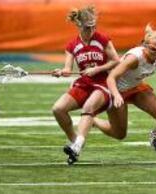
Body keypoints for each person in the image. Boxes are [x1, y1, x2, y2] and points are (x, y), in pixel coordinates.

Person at [90, 24, 156, 164]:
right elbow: (111, 78)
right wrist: (116, 95)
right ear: (145, 46)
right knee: (120, 134)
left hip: (136, 87)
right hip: (117, 90)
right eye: (153, 49)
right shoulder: (135, 58)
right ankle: (94, 121)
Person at [51, 5, 119, 164]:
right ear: (79, 25)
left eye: (94, 26)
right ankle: (75, 141)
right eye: (88, 27)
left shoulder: (102, 39)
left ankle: (77, 145)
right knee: (58, 109)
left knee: (88, 107)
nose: (92, 30)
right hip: (84, 84)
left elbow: (116, 61)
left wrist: (97, 69)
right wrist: (61, 72)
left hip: (102, 83)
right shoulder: (72, 45)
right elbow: (68, 69)